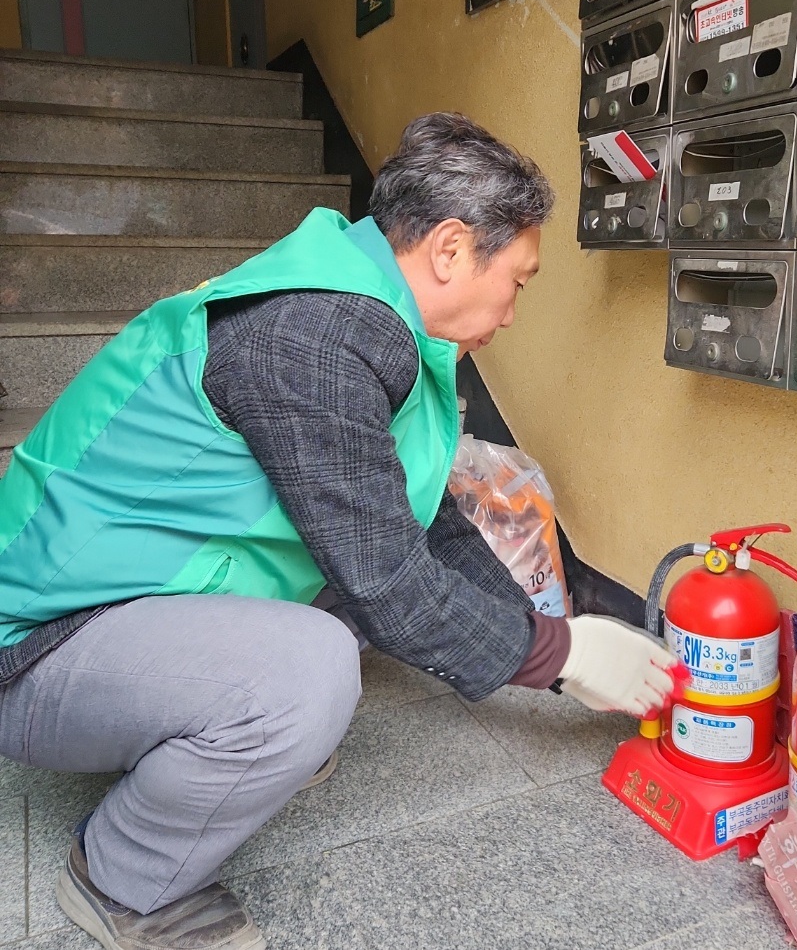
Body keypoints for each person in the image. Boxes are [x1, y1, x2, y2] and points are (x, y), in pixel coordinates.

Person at [0, 113, 678, 950]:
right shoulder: (313, 339)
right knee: (309, 669)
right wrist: (564, 656)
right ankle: (123, 880)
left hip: (140, 598)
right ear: (452, 249)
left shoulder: (364, 314)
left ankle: (233, 744)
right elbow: (390, 580)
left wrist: (557, 646)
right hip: (39, 649)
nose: (511, 312)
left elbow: (426, 526)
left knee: (352, 596)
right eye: (520, 280)